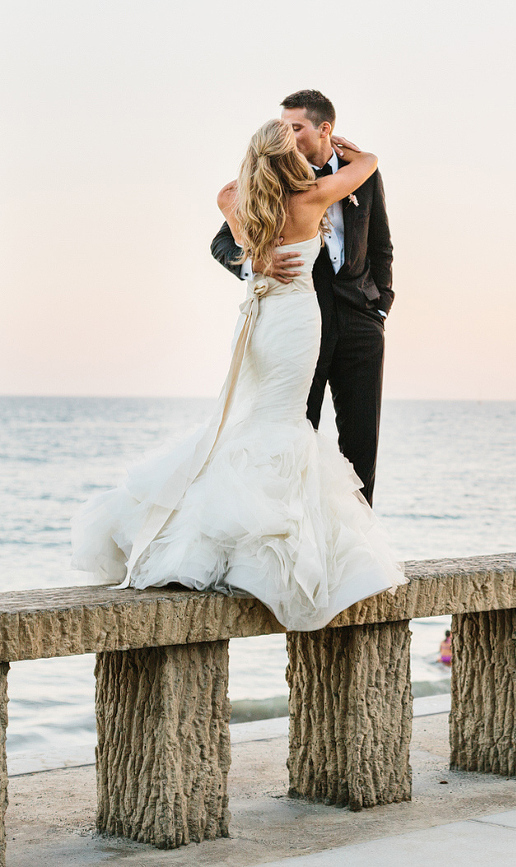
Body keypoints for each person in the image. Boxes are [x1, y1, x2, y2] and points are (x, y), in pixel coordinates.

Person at [71, 119, 406, 631]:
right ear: (289, 157)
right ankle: (280, 544)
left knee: (253, 417)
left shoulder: (242, 204)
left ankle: (216, 535)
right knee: (286, 419)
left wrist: (256, 234)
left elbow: (228, 193)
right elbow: (370, 164)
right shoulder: (311, 198)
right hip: (295, 320)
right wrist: (351, 150)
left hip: (258, 320)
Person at [211, 90, 392, 505]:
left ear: (323, 129)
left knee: (362, 435)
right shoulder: (263, 186)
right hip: (301, 321)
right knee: (296, 424)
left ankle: (356, 533)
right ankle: (291, 523)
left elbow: (381, 244)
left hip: (361, 317)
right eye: (284, 129)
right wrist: (254, 265)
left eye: (296, 127)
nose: (289, 136)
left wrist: (380, 305)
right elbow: (222, 244)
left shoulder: (360, 176)